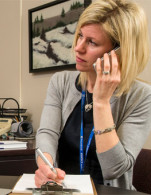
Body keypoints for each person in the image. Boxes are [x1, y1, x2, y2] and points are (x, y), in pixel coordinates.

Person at [35, 0, 151, 190]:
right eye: (80, 36)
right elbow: (47, 133)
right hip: (62, 191)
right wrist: (46, 168)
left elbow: (114, 168)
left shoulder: (142, 96)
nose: (78, 48)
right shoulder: (60, 82)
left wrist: (101, 102)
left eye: (92, 42)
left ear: (117, 53)